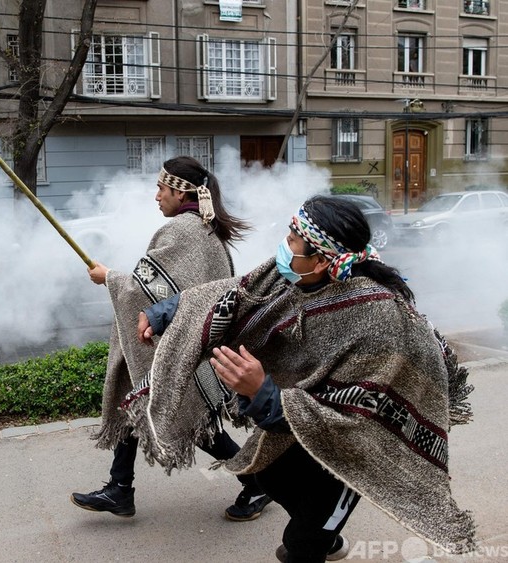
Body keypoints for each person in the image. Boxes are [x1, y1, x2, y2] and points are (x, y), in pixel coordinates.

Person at [134, 195, 475, 561]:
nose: (286, 242)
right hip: (304, 420)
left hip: (359, 447)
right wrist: (162, 313)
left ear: (323, 259)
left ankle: (317, 536)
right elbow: (231, 292)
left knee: (299, 545)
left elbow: (355, 420)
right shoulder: (293, 273)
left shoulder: (378, 319)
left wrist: (262, 392)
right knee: (269, 473)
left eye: (294, 236)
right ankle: (324, 535)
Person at [70, 156, 273, 521]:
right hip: (186, 344)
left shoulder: (182, 230)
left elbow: (144, 291)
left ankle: (257, 482)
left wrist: (108, 277)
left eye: (161, 188)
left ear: (181, 193)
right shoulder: (201, 229)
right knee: (137, 404)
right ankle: (120, 488)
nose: (156, 196)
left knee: (193, 424)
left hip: (181, 349)